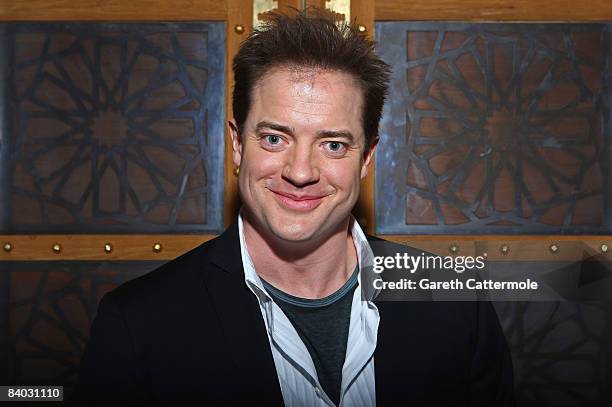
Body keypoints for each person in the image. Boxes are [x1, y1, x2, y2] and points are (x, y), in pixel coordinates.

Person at [74, 10, 514, 406]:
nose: (300, 172)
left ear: (365, 158)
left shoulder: (456, 302)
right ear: (236, 144)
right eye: (273, 139)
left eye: (333, 144)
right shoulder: (138, 325)